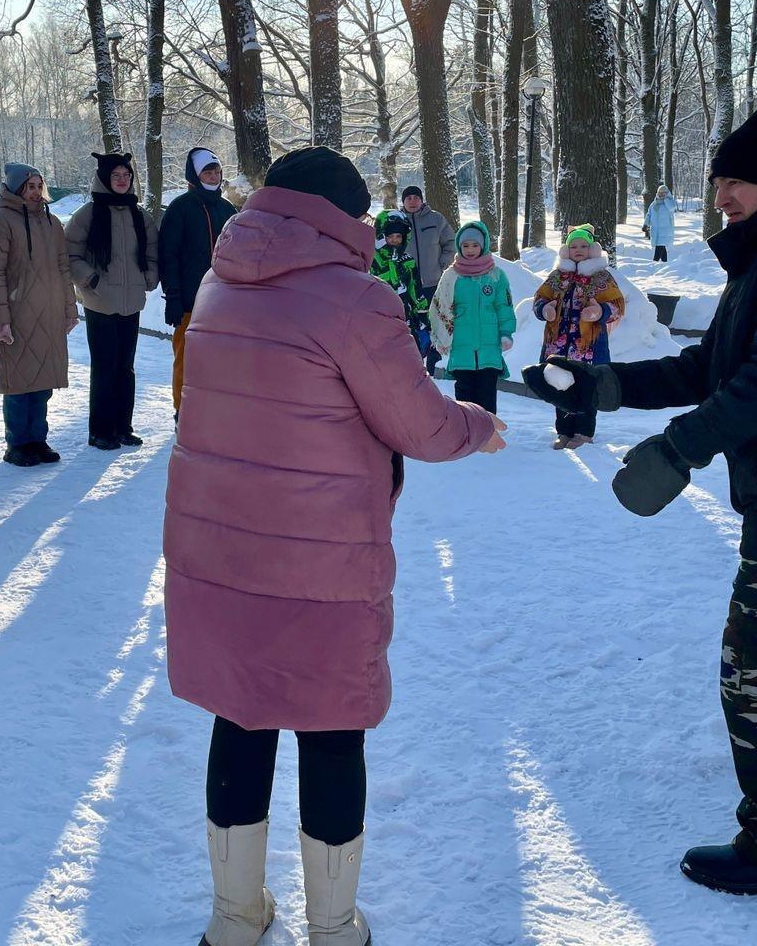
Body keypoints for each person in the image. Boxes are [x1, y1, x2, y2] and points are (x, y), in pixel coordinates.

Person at [524, 95, 757, 899]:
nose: (720, 195)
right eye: (718, 180)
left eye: (732, 181)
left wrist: (681, 447)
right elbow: (716, 367)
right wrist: (605, 384)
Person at [163, 146, 506, 946]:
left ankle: (234, 918)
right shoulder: (357, 299)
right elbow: (417, 423)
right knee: (328, 728)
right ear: (346, 217)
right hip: (316, 555)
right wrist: (481, 428)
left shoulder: (219, 284)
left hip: (218, 548)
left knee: (239, 717)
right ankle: (334, 925)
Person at [0, 163, 77, 466]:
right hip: (17, 312)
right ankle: (17, 443)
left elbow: (64, 269)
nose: (36, 192)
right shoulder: (0, 221)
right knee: (19, 383)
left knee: (42, 382)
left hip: (49, 313)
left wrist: (69, 308)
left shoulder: (52, 223)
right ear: (16, 188)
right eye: (30, 186)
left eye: (39, 185)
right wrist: (0, 317)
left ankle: (38, 439)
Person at [66, 151, 158, 450]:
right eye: (116, 176)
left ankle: (122, 427)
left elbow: (152, 250)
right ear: (105, 178)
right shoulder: (88, 215)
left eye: (126, 176)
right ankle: (100, 430)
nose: (122, 180)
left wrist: (149, 277)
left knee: (125, 367)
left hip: (131, 301)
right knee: (104, 367)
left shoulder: (139, 215)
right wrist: (90, 280)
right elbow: (70, 253)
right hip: (100, 301)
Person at [159, 147, 236, 415]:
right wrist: (173, 296)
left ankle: (213, 410)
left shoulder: (227, 209)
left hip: (223, 302)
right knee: (187, 360)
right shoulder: (180, 208)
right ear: (194, 175)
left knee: (220, 360)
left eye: (216, 172)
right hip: (191, 300)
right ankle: (184, 412)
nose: (213, 176)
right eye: (207, 172)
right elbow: (168, 255)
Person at [532, 225, 623, 449]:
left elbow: (618, 305)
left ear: (592, 249)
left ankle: (583, 432)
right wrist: (545, 309)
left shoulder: (602, 278)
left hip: (589, 347)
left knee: (586, 388)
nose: (578, 249)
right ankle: (563, 431)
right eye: (574, 246)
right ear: (566, 250)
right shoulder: (557, 277)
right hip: (558, 346)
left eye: (583, 245)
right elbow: (539, 298)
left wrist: (599, 312)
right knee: (560, 386)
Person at [429, 221, 515, 413]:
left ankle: (488, 435)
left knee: (487, 393)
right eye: (466, 245)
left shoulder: (496, 276)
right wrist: (442, 336)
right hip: (461, 347)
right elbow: (439, 307)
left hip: (489, 347)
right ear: (459, 246)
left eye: (475, 245)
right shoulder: (451, 276)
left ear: (483, 245)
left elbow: (504, 307)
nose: (470, 250)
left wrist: (506, 333)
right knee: (464, 395)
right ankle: (468, 435)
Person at [399, 185, 454, 373]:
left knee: (434, 326)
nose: (412, 201)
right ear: (403, 201)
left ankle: (434, 366)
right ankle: (412, 368)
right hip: (406, 287)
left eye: (416, 197)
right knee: (410, 327)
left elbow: (451, 243)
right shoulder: (397, 222)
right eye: (408, 198)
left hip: (433, 284)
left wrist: (442, 265)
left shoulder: (436, 219)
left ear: (422, 200)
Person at [370, 210, 429, 356]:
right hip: (379, 322)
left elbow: (415, 289)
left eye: (398, 236)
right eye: (390, 236)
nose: (395, 240)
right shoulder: (371, 261)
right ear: (381, 236)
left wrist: (422, 315)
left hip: (406, 320)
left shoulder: (407, 261)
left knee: (411, 360)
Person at [642, 184, 678, 262]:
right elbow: (649, 215)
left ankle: (655, 262)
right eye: (659, 193)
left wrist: (666, 199)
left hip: (665, 229)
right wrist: (645, 224)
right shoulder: (654, 204)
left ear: (667, 193)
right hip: (655, 229)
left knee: (660, 246)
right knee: (661, 246)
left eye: (663, 193)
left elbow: (672, 208)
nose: (661, 194)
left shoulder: (669, 202)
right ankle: (664, 263)